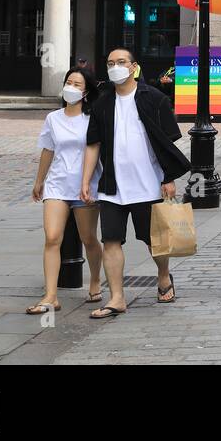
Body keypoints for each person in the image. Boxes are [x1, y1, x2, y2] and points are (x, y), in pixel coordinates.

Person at [80, 48, 191, 319]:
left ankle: (163, 276)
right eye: (110, 63)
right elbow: (93, 144)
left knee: (154, 241)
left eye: (121, 62)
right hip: (112, 186)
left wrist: (168, 178)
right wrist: (85, 181)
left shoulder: (154, 98)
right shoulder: (102, 103)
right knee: (111, 240)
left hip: (147, 184)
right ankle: (117, 297)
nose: (115, 67)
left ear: (133, 67)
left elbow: (167, 143)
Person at [26, 67, 104, 315]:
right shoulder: (53, 118)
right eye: (68, 82)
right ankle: (50, 295)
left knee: (88, 238)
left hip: (85, 187)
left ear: (86, 91)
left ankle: (94, 280)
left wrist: (88, 182)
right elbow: (48, 149)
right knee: (52, 238)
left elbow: (97, 150)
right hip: (57, 185)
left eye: (77, 84)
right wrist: (39, 180)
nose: (71, 87)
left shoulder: (93, 118)